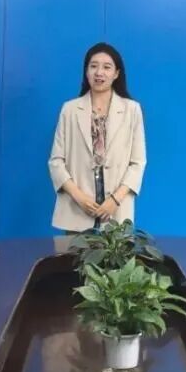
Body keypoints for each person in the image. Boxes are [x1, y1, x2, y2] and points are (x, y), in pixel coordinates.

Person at [49, 43, 146, 232]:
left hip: (116, 213)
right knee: (72, 253)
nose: (99, 72)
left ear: (116, 73)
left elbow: (138, 163)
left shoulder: (132, 110)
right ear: (86, 71)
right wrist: (79, 198)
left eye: (107, 67)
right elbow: (56, 162)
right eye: (93, 66)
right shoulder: (69, 110)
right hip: (76, 211)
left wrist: (115, 200)